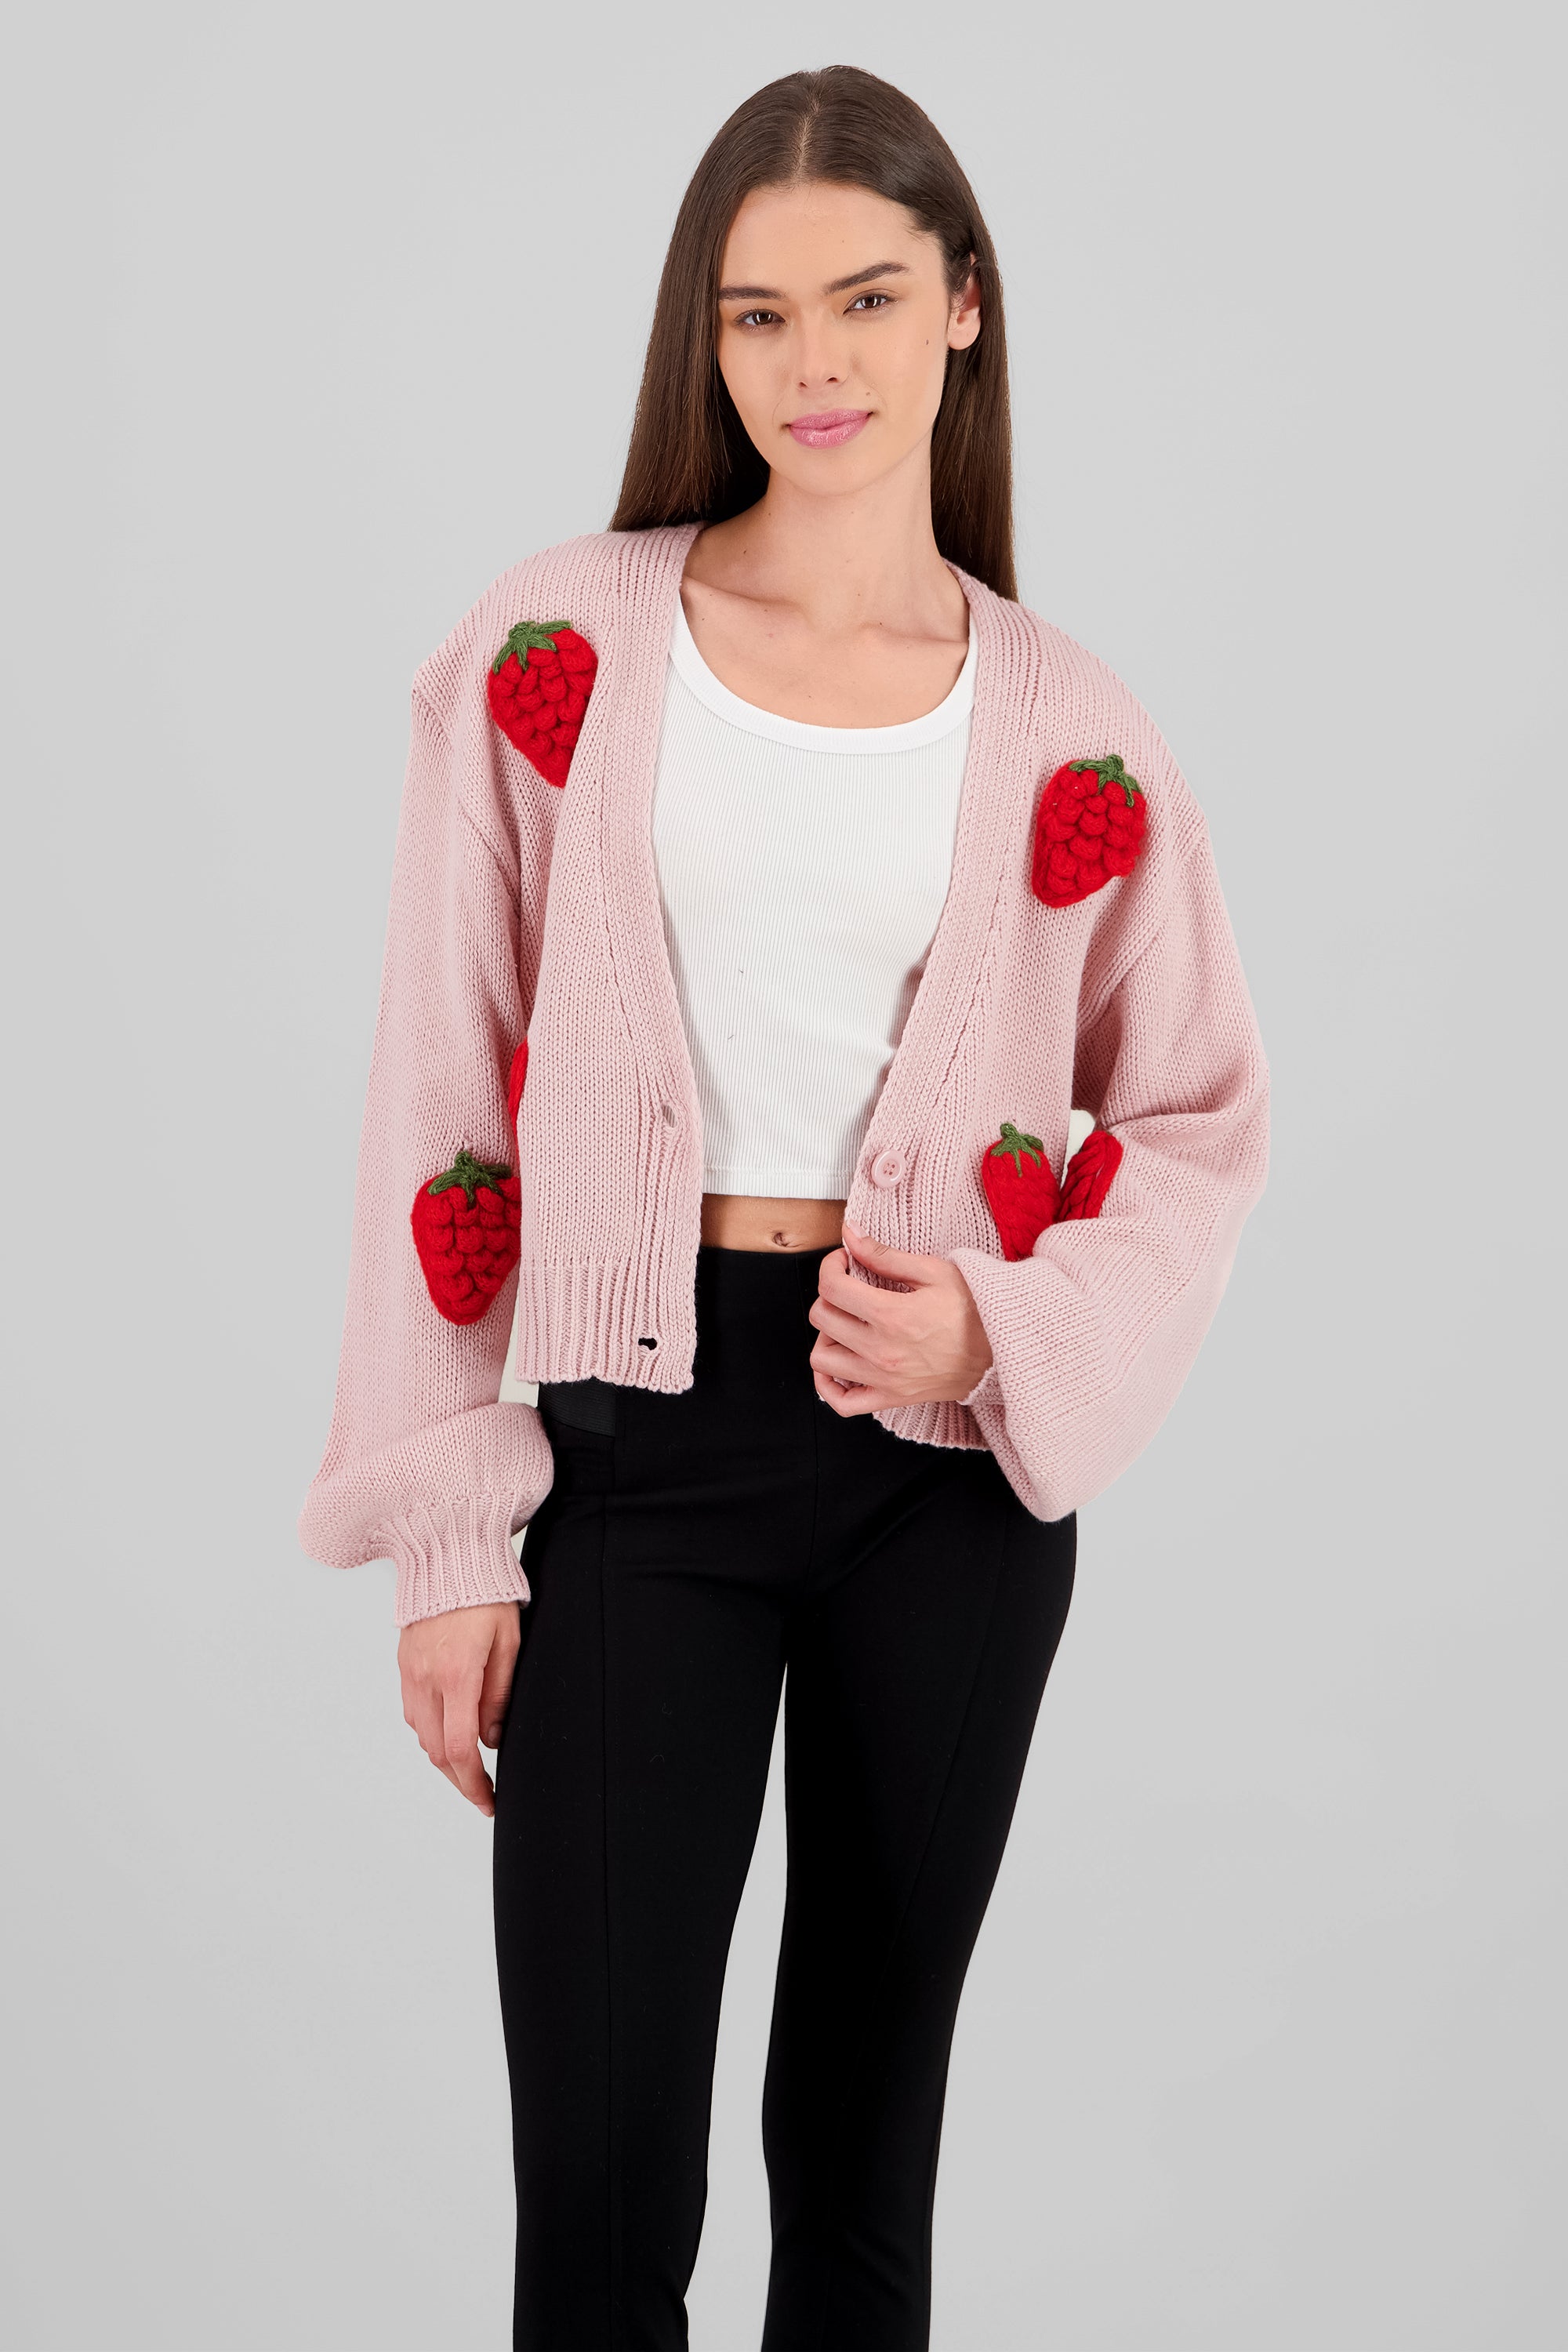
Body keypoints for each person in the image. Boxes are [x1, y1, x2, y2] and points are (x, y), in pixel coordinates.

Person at [299, 63, 1269, 2352]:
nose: (811, 363)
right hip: (635, 1451)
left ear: (964, 307)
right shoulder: (556, 647)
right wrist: (449, 1542)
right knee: (601, 2181)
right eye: (756, 315)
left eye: (864, 300)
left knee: (858, 2161)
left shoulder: (1075, 723)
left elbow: (1199, 1119)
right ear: (704, 338)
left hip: (944, 1483)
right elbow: (436, 1093)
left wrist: (1001, 1332)